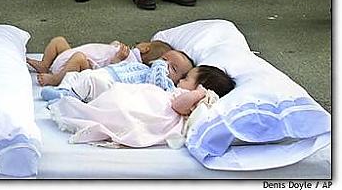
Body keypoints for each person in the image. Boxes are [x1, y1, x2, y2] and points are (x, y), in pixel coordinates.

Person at [47, 65, 235, 149]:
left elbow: (178, 106)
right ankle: (77, 95)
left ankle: (71, 97)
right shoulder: (183, 92)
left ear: (201, 87)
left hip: (156, 110)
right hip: (149, 98)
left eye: (186, 79)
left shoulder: (193, 98)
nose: (180, 81)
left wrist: (197, 93)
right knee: (120, 95)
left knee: (124, 108)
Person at [40, 47, 195, 102]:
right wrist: (116, 61)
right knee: (77, 75)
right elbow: (121, 66)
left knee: (91, 80)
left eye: (173, 68)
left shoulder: (159, 84)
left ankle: (68, 98)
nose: (164, 65)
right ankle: (63, 90)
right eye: (163, 59)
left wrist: (161, 67)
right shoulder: (141, 67)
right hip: (108, 72)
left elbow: (156, 83)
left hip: (112, 85)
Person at [28, 36, 153, 87]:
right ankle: (45, 65)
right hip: (68, 57)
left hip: (85, 67)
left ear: (145, 48)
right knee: (59, 41)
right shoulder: (126, 51)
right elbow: (105, 51)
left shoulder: (132, 64)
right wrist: (113, 45)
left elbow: (114, 73)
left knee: (79, 57)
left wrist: (117, 60)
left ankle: (56, 79)